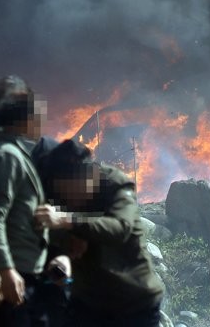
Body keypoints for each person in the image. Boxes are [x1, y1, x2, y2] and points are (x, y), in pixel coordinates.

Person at [34, 140, 163, 327]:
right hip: (88, 302)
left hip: (133, 301)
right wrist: (61, 254)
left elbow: (119, 228)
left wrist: (69, 221)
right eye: (61, 193)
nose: (67, 199)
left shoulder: (114, 186)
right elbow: (43, 228)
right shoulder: (54, 191)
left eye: (70, 190)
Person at [0, 76, 70, 327]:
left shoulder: (20, 153)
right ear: (23, 119)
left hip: (35, 270)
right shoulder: (6, 157)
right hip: (17, 272)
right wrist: (5, 269)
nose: (42, 121)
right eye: (36, 114)